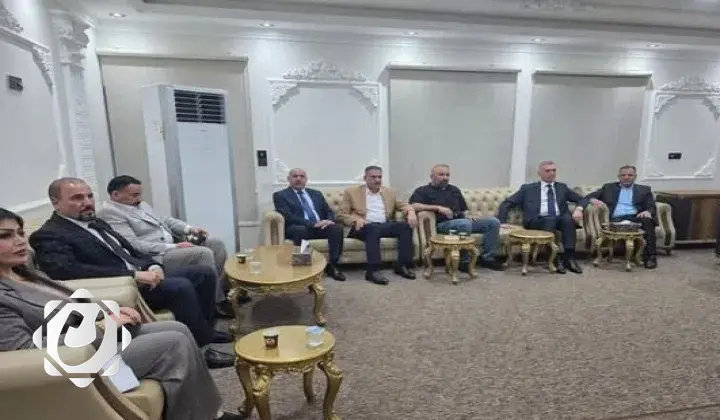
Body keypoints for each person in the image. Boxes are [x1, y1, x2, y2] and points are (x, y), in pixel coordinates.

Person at [0, 208, 242, 420]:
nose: (20, 241)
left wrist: (109, 310)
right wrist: (102, 327)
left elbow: (74, 300)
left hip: (92, 339)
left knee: (177, 328)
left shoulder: (24, 273)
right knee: (173, 343)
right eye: (5, 236)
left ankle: (208, 412)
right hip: (73, 357)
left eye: (20, 233)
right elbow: (24, 350)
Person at [28, 177, 234, 368]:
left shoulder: (95, 222)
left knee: (202, 273)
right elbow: (66, 271)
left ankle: (205, 331)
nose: (87, 202)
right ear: (56, 203)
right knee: (181, 287)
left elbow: (130, 250)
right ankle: (201, 352)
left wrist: (152, 266)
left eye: (89, 196)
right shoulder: (49, 234)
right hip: (119, 287)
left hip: (140, 276)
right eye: (77, 198)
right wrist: (134, 276)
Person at [97, 175, 244, 317]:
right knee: (203, 253)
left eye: (139, 194)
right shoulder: (109, 213)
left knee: (216, 244)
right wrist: (173, 247)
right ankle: (216, 304)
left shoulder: (140, 205)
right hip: (156, 255)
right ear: (115, 194)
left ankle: (223, 292)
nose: (139, 199)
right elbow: (133, 245)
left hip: (171, 245)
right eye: (134, 195)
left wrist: (189, 229)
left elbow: (164, 220)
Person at [498, 160, 588, 274]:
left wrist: (579, 209)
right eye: (548, 171)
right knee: (550, 220)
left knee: (568, 220)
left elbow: (582, 199)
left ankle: (569, 258)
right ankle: (554, 258)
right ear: (539, 173)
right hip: (537, 220)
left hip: (559, 218)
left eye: (554, 170)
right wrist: (502, 222)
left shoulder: (562, 187)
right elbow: (507, 203)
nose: (552, 173)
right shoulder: (528, 189)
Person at [409, 164, 504, 271]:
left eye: (447, 175)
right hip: (442, 224)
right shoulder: (422, 191)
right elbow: (413, 205)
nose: (445, 177)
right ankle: (463, 261)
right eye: (441, 175)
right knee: (464, 224)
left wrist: (468, 216)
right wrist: (438, 208)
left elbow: (463, 209)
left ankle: (488, 258)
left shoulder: (454, 190)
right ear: (432, 176)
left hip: (461, 221)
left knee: (493, 222)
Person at [337, 165, 418, 285]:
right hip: (361, 227)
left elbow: (404, 205)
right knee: (372, 228)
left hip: (383, 225)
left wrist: (411, 212)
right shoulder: (352, 192)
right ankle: (372, 270)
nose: (377, 180)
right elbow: (341, 214)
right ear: (365, 178)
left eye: (379, 177)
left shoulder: (389, 192)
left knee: (405, 227)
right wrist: (355, 220)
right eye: (373, 177)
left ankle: (402, 265)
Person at [273, 168, 346, 281]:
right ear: (289, 179)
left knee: (337, 228)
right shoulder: (280, 195)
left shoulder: (316, 194)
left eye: (302, 176)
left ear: (306, 179)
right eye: (295, 176)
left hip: (320, 227)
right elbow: (288, 216)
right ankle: (303, 266)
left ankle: (333, 265)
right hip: (298, 227)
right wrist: (312, 224)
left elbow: (328, 211)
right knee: (300, 230)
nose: (298, 179)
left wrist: (328, 221)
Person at [584, 165, 658, 269]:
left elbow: (652, 206)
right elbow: (588, 197)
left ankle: (650, 257)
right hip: (616, 218)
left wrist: (648, 211)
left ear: (635, 176)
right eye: (623, 175)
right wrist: (593, 200)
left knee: (648, 221)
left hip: (635, 217)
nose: (626, 177)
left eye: (630, 175)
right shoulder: (608, 187)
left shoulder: (644, 190)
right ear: (619, 176)